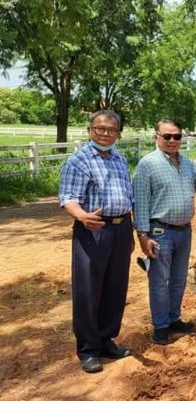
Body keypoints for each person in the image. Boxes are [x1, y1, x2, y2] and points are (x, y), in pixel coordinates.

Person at [132, 119, 196, 345]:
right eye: (167, 136)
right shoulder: (147, 165)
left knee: (178, 279)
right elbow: (141, 204)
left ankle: (173, 318)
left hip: (184, 231)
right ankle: (161, 326)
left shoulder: (186, 163)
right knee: (159, 280)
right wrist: (143, 236)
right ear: (156, 137)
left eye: (177, 136)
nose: (173, 141)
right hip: (160, 231)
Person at [59, 110, 134, 373]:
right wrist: (81, 216)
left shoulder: (120, 160)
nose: (105, 133)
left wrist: (132, 229)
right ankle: (88, 349)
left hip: (121, 228)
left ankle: (106, 339)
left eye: (111, 130)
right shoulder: (79, 160)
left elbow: (128, 195)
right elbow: (68, 197)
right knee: (88, 290)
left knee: (116, 287)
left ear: (118, 133)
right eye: (100, 129)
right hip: (93, 229)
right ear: (90, 130)